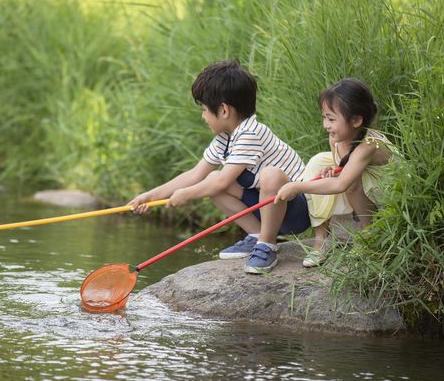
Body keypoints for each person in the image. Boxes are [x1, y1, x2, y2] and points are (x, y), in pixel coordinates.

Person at [129, 59, 310, 273]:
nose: (203, 116)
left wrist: (186, 194)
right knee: (211, 180)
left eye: (205, 109)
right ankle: (256, 235)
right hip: (266, 207)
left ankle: (267, 244)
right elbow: (196, 174)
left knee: (269, 175)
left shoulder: (251, 133)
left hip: (296, 210)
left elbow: (224, 181)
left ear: (223, 110)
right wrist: (150, 196)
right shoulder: (225, 138)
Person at [275, 78, 395, 267]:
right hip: (360, 176)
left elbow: (342, 183)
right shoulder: (336, 139)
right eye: (324, 117)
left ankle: (368, 233)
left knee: (352, 182)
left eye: (331, 119)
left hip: (388, 186)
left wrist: (298, 187)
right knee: (316, 163)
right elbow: (343, 166)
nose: (325, 125)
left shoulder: (369, 146)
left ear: (356, 120)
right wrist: (334, 169)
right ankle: (321, 238)